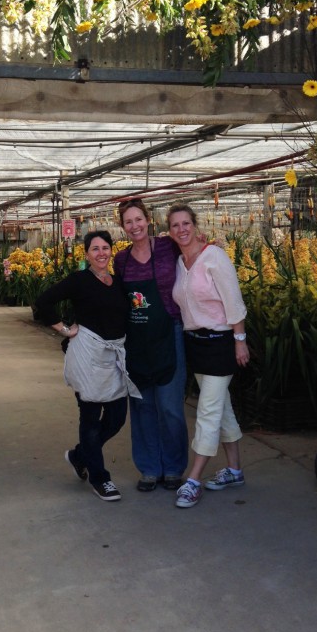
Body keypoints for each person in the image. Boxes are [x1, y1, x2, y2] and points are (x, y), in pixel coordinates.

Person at [34, 230, 141, 502]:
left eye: (106, 247)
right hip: (87, 356)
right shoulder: (79, 280)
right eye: (95, 248)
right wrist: (65, 329)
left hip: (113, 357)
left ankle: (79, 456)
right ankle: (99, 478)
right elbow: (43, 302)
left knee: (116, 418)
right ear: (86, 254)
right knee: (91, 420)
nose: (101, 253)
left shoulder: (117, 283)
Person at [167, 203, 250, 509]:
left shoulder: (213, 256)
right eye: (175, 225)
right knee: (221, 408)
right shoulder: (179, 262)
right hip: (196, 345)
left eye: (186, 223)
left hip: (220, 343)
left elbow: (234, 300)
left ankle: (193, 479)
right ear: (169, 230)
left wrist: (239, 341)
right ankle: (235, 470)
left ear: (195, 225)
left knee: (207, 410)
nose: (181, 230)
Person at [113, 199, 189, 492]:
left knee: (170, 406)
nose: (135, 226)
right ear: (123, 227)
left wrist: (211, 245)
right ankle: (148, 467)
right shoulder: (121, 260)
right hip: (137, 339)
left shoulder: (168, 246)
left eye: (138, 219)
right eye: (128, 222)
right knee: (142, 406)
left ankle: (172, 467)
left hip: (169, 333)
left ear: (148, 220)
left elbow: (194, 249)